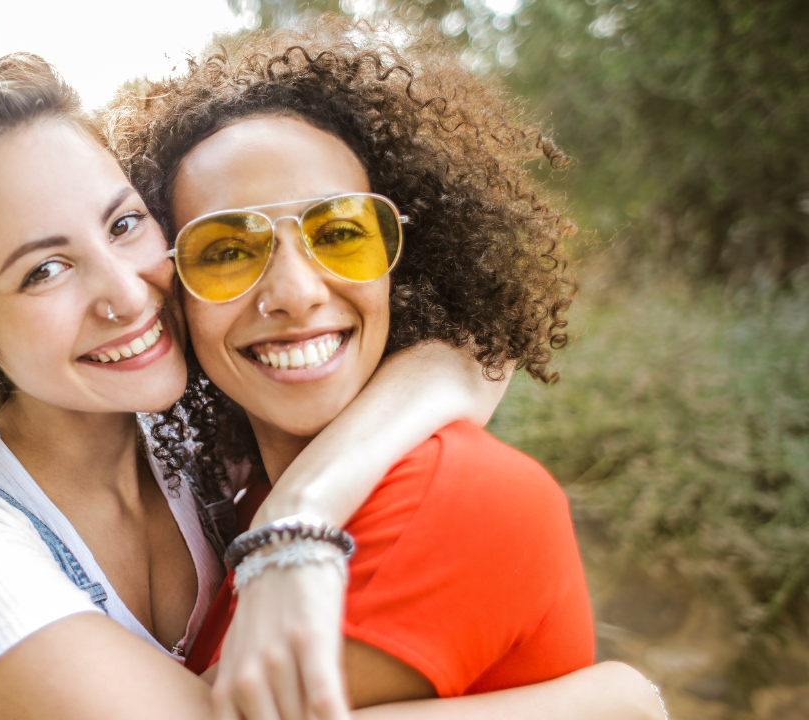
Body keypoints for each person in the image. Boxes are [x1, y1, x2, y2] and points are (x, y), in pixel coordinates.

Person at [0, 49, 662, 720]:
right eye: (45, 269)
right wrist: (611, 703)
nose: (128, 294)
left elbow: (473, 358)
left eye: (125, 224)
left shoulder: (207, 455)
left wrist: (300, 517)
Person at [116, 17, 654, 720]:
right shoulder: (238, 505)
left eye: (339, 234)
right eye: (226, 251)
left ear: (402, 265)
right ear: (173, 299)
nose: (298, 292)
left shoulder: (455, 493)